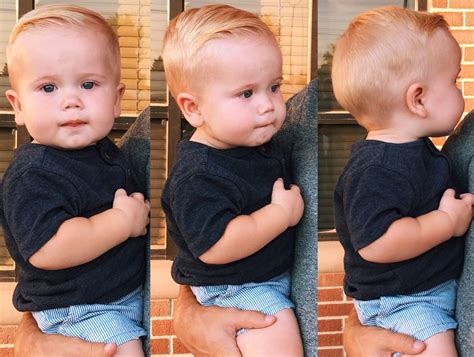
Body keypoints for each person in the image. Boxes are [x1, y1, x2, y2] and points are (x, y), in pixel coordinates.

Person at [1, 4, 149, 356]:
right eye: (48, 87)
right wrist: (121, 221)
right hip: (77, 310)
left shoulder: (104, 153)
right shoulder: (33, 172)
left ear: (116, 100)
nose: (71, 101)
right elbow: (49, 248)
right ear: (17, 106)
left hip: (113, 299)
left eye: (88, 84)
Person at [160, 5, 304, 356]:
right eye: (246, 93)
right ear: (193, 108)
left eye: (274, 87)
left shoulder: (254, 142)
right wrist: (279, 215)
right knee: (278, 339)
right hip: (234, 288)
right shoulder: (198, 173)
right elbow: (217, 245)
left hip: (260, 279)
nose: (268, 105)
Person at [331, 7, 472, 356]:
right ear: (419, 99)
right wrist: (445, 222)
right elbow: (376, 242)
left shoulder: (411, 152)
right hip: (404, 302)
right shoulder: (377, 167)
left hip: (417, 295)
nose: (461, 92)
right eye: (454, 81)